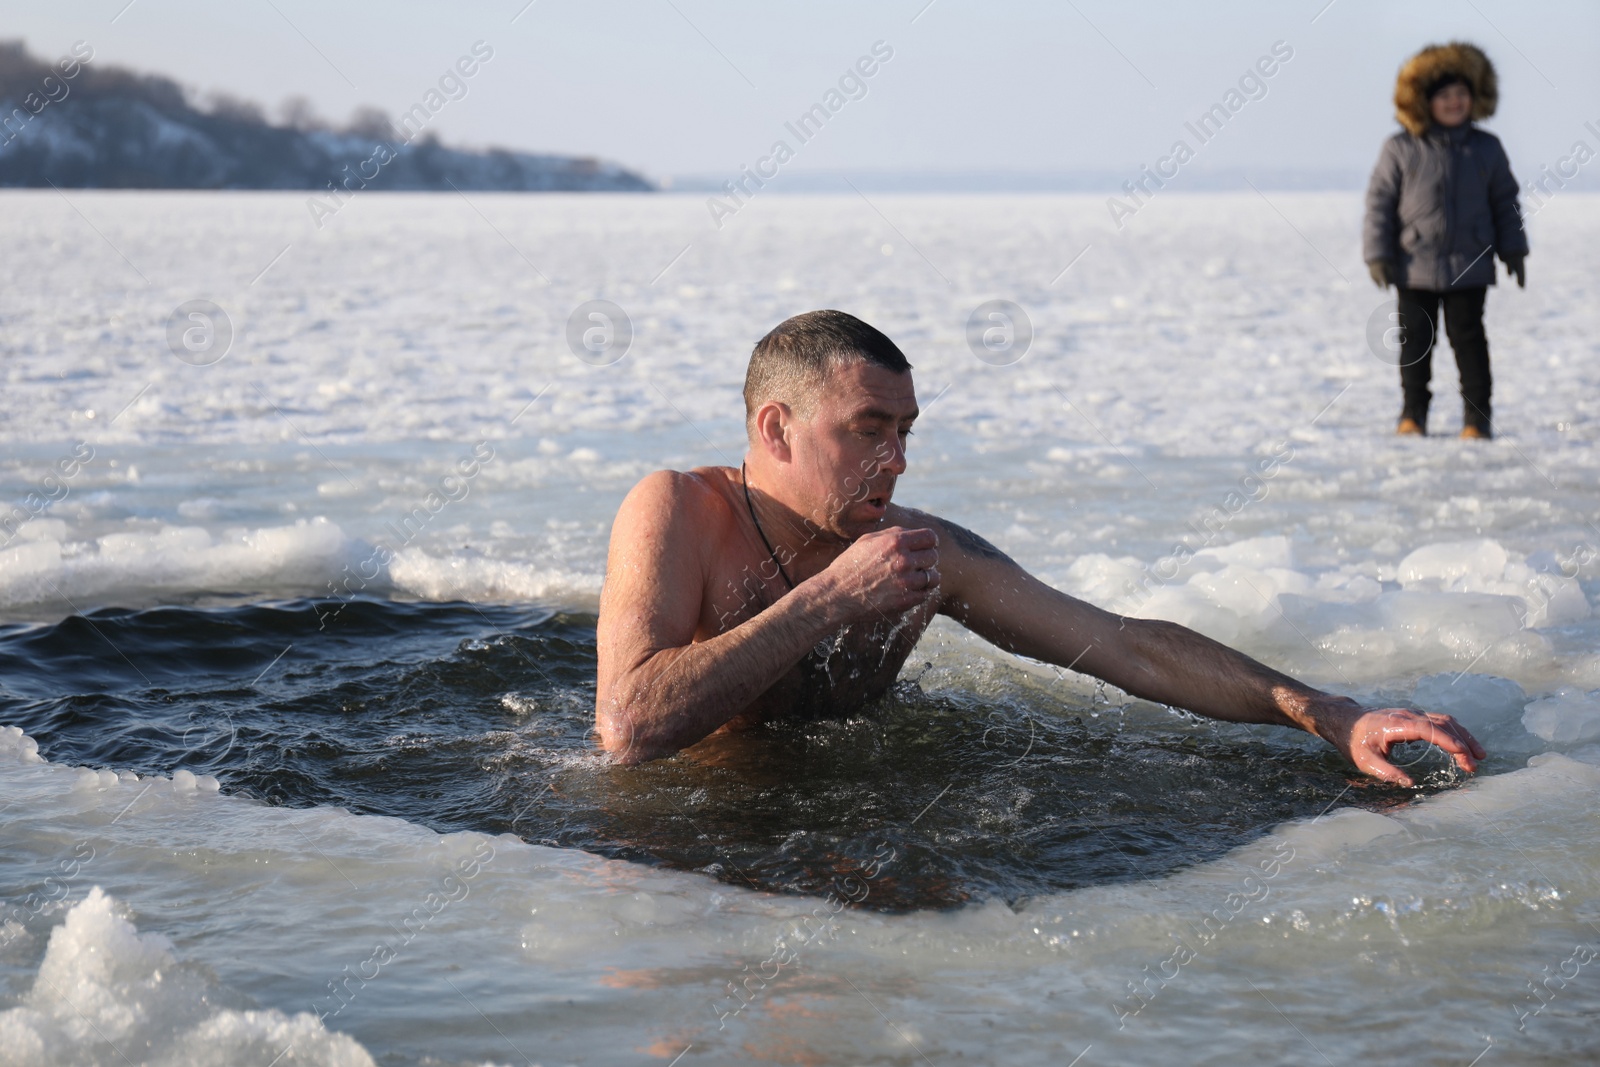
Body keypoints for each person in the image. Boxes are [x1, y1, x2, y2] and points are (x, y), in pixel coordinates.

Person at [594, 310, 1485, 784]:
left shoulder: (919, 553)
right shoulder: (675, 508)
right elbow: (627, 729)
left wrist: (1329, 712)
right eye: (870, 428)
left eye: (906, 430)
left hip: (836, 818)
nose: (897, 459)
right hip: (673, 852)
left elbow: (1129, 646)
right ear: (776, 428)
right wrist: (829, 600)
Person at [1363, 41, 1527, 439]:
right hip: (1413, 265)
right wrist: (1379, 255)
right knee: (1416, 343)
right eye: (1444, 96)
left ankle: (1476, 419)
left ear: (1475, 98)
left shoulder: (1486, 148)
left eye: (1461, 95)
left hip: (1471, 264)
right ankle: (1412, 415)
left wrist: (1514, 248)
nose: (1455, 103)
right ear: (1425, 101)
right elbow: (1380, 203)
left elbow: (1505, 200)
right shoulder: (1401, 148)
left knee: (1469, 341)